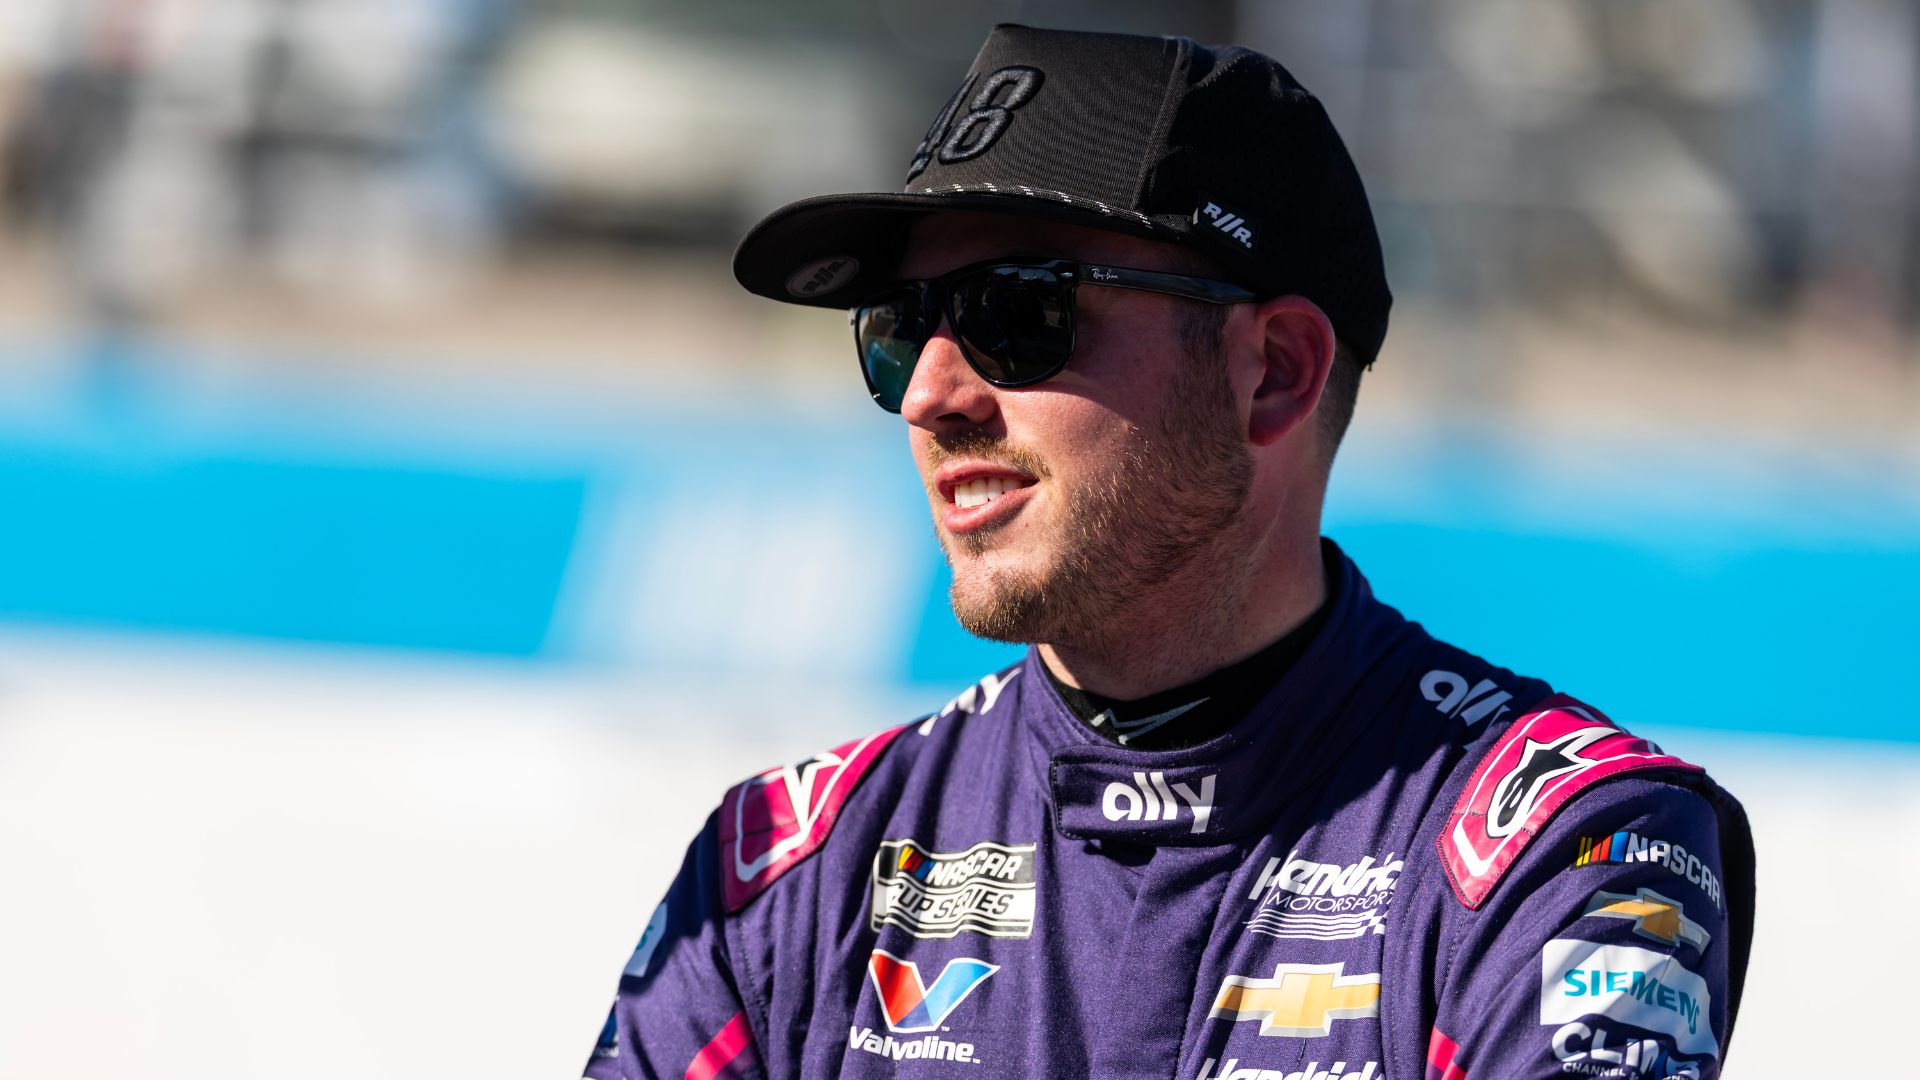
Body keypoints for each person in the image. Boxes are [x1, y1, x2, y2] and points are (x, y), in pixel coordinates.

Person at [583, 24, 1753, 1080]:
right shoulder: (788, 872)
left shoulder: (1567, 847)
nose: (930, 395)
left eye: (1014, 311)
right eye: (899, 330)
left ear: (1277, 372)